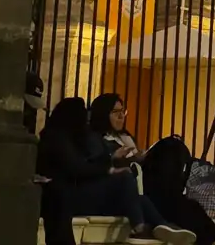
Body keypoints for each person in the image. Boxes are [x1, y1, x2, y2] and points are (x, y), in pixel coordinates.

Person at [37, 97, 190, 245]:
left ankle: (162, 226)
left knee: (138, 198)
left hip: (82, 190)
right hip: (68, 196)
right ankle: (139, 228)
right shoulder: (58, 138)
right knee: (124, 178)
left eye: (123, 111)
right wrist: (109, 168)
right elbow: (76, 168)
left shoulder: (76, 137)